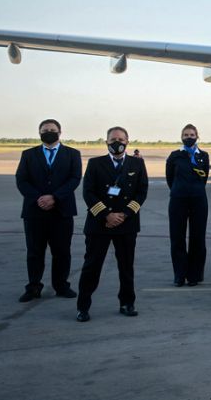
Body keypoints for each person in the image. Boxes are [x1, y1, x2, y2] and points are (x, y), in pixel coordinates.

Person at [76, 127, 148, 321]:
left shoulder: (137, 164)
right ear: (106, 142)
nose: (117, 142)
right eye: (113, 139)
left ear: (128, 141)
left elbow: (141, 192)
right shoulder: (95, 163)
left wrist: (123, 214)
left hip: (126, 224)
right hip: (100, 224)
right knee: (92, 266)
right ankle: (83, 306)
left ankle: (127, 302)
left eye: (121, 139)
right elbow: (88, 193)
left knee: (126, 267)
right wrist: (107, 215)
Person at [15, 119, 82, 302]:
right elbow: (22, 180)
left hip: (62, 211)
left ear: (60, 132)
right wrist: (39, 197)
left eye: (52, 130)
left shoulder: (72, 154)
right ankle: (33, 287)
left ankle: (61, 285)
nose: (49, 132)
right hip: (35, 211)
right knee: (35, 252)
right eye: (45, 130)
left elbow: (75, 178)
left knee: (61, 251)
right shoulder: (28, 154)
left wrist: (55, 197)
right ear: (39, 133)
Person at [165, 124, 210, 287]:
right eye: (185, 135)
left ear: (197, 136)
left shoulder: (203, 156)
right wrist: (180, 190)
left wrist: (194, 190)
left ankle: (194, 275)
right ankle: (179, 274)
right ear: (181, 137)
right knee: (177, 238)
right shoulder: (175, 155)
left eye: (192, 134)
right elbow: (170, 177)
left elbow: (203, 178)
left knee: (198, 238)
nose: (189, 137)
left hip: (198, 199)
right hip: (178, 199)